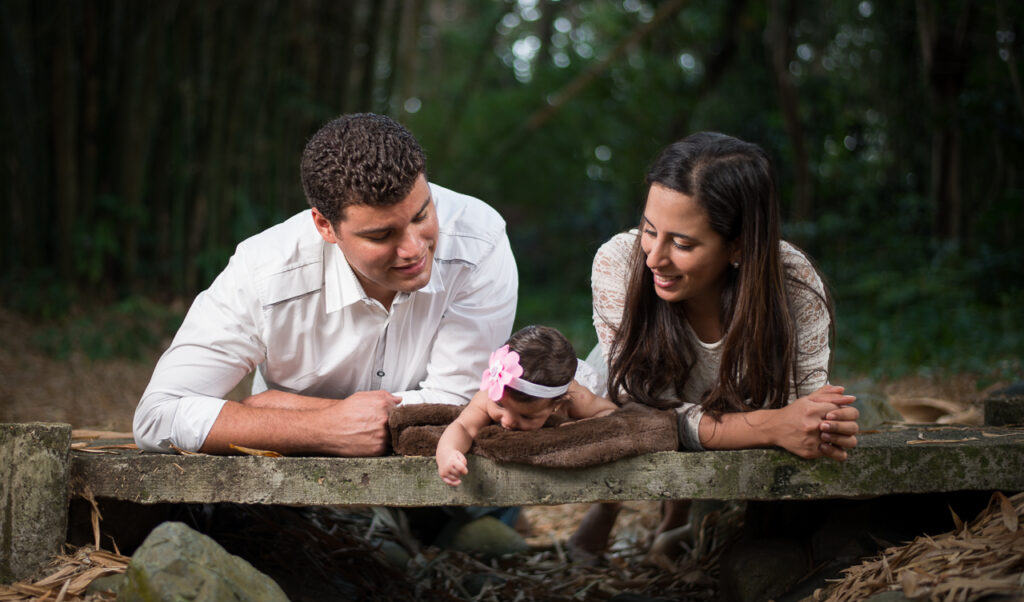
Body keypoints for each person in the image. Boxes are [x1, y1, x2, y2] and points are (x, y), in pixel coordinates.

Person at [133, 113, 518, 455]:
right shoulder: (264, 272)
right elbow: (157, 416)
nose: (414, 249)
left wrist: (279, 409)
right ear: (325, 226)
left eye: (422, 215)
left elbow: (458, 406)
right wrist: (322, 427)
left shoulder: (478, 241)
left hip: (447, 484)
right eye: (382, 235)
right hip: (297, 492)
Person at [568, 132, 860, 557]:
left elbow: (803, 404)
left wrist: (825, 423)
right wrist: (775, 425)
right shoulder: (619, 262)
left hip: (734, 400)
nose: (654, 258)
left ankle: (677, 515)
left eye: (682, 243)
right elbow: (646, 414)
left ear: (738, 245)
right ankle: (610, 503)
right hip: (632, 394)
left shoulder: (792, 282)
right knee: (615, 410)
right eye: (650, 230)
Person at [436, 325, 618, 486]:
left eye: (526, 416)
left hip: (577, 381)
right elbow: (463, 427)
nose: (507, 422)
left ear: (556, 406)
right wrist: (448, 452)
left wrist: (580, 428)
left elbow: (610, 412)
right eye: (500, 406)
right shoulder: (493, 393)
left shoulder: (575, 398)